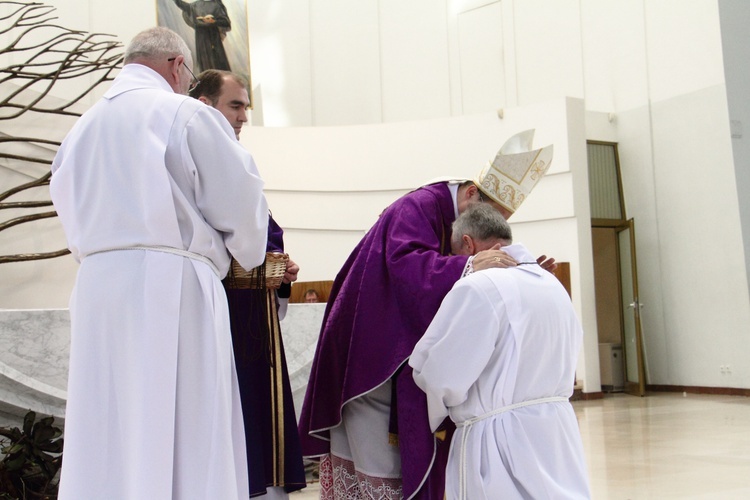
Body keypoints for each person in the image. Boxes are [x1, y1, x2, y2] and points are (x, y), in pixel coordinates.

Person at [49, 27, 268, 499]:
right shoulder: (185, 113)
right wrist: (246, 251)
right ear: (175, 65)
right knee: (187, 418)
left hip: (98, 286)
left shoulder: (79, 129)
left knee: (107, 418)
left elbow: (67, 209)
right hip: (174, 282)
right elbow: (240, 200)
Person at [298, 130, 554, 499]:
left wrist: (524, 277)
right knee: (379, 470)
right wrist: (468, 265)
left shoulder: (457, 220)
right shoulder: (418, 206)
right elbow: (405, 268)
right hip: (373, 363)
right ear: (470, 193)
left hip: (403, 362)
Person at [409, 203, 591, 499]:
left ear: (467, 244)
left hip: (500, 439)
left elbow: (441, 376)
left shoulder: (479, 285)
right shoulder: (552, 284)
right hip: (557, 432)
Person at [189, 69, 307, 498]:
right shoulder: (193, 163)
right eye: (234, 105)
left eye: (245, 108)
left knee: (262, 410)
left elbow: (259, 236)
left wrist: (279, 275)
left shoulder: (235, 164)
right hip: (221, 311)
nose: (242, 117)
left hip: (255, 314)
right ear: (204, 105)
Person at [172, 0, 232, 72]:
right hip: (201, 38)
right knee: (204, 63)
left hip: (213, 37)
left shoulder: (217, 5)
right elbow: (181, 5)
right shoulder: (195, 5)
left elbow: (226, 22)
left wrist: (214, 21)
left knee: (217, 63)